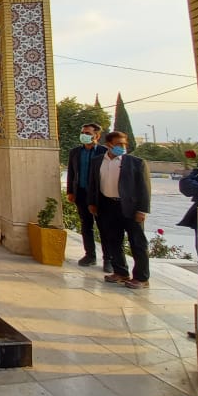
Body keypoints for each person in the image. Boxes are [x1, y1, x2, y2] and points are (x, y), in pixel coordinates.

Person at [87, 131, 151, 289]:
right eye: (118, 144)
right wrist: (92, 203)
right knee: (113, 240)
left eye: (124, 144)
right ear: (108, 145)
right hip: (108, 206)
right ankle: (121, 272)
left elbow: (144, 189)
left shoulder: (136, 163)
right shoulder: (97, 161)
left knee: (137, 242)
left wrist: (142, 210)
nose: (122, 147)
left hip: (130, 207)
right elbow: (93, 183)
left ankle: (141, 277)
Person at [66, 123, 110, 271]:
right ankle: (90, 255)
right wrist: (71, 191)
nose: (84, 135)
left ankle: (108, 259)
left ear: (97, 135)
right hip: (81, 193)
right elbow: (72, 173)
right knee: (86, 226)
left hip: (99, 195)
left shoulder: (104, 152)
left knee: (104, 227)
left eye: (87, 133)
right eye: (83, 132)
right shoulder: (76, 152)